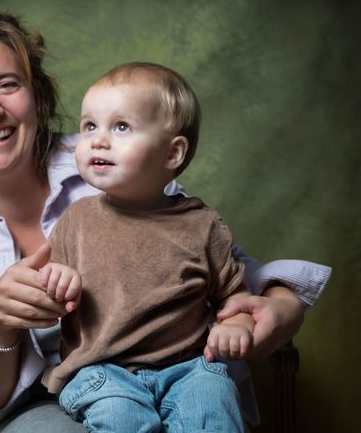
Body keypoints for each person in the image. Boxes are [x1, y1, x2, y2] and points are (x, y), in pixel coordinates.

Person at [0, 4, 332, 432]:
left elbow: (213, 259)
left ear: (37, 97)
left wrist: (282, 307)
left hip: (174, 378)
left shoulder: (110, 158)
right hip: (42, 400)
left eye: (7, 85)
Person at [38, 62, 256, 432]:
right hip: (101, 372)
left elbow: (235, 297)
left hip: (187, 368)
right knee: (124, 418)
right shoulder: (76, 220)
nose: (98, 140)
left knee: (214, 397)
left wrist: (237, 324)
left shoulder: (203, 226)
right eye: (89, 125)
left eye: (121, 126)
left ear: (172, 154)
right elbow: (50, 294)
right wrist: (54, 282)